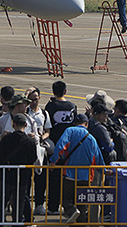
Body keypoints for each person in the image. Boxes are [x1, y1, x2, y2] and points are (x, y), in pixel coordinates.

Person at [50, 113, 104, 224]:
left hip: (69, 174)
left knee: (65, 199)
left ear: (75, 123)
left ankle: (71, 210)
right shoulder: (91, 138)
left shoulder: (70, 131)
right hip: (85, 177)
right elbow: (98, 158)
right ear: (87, 124)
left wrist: (53, 161)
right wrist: (104, 171)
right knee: (82, 203)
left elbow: (61, 146)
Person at [0, 113, 37, 224]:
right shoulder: (30, 141)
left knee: (2, 201)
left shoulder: (7, 139)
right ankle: (17, 222)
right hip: (23, 176)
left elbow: (0, 156)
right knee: (19, 202)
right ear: (25, 125)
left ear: (13, 124)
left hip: (7, 174)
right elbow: (33, 158)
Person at [44, 81, 77, 215]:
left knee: (54, 178)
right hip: (70, 148)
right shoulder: (72, 106)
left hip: (55, 146)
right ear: (65, 91)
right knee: (69, 179)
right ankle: (69, 206)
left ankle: (52, 205)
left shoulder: (50, 107)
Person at [25, 87, 52, 216]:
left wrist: (42, 137)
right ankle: (26, 204)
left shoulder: (44, 113)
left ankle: (39, 204)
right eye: (31, 100)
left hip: (40, 148)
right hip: (28, 148)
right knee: (27, 178)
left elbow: (48, 131)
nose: (34, 102)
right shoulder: (25, 112)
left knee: (40, 178)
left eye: (35, 99)